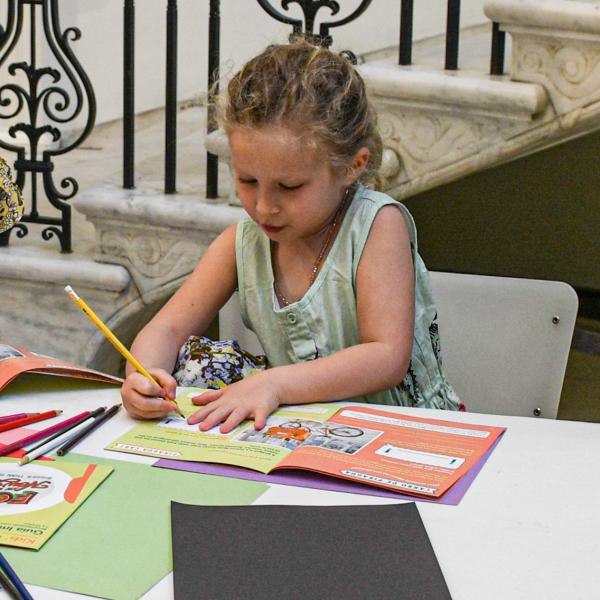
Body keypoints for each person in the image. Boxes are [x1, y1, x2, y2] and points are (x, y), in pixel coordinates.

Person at [120, 39, 460, 432]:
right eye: (248, 180)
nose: (264, 206)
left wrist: (273, 384)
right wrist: (143, 376)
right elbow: (167, 329)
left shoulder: (377, 226)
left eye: (290, 186)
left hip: (410, 435)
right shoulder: (240, 242)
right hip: (303, 435)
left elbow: (385, 355)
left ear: (352, 166)